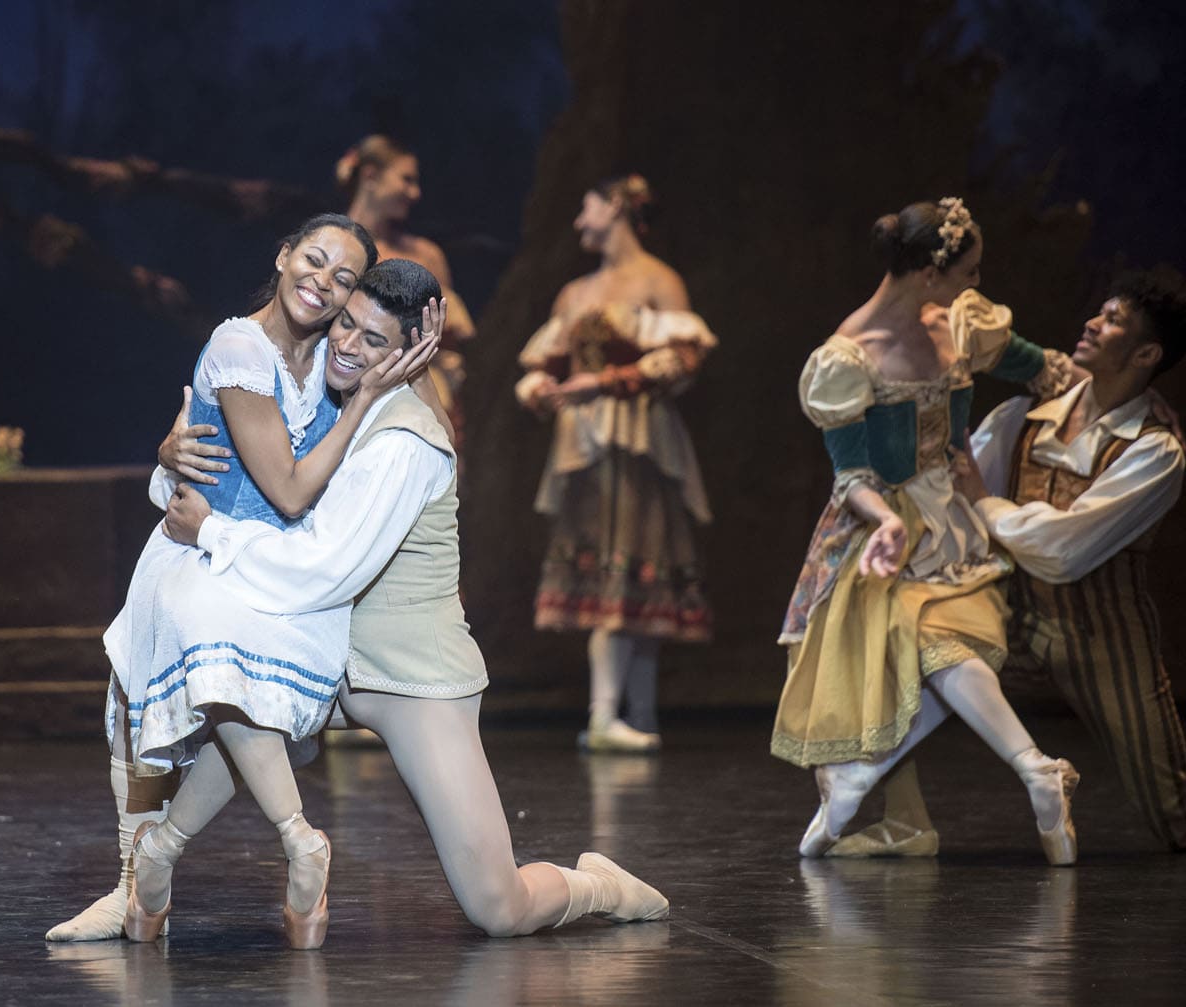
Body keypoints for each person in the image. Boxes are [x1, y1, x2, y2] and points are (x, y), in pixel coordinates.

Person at [144, 258, 670, 941]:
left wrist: (209, 532)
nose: (347, 343)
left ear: (413, 351)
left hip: (411, 675)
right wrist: (170, 457)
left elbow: (320, 567)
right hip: (333, 657)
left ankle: (601, 883)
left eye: (374, 340)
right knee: (242, 692)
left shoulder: (405, 442)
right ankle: (152, 859)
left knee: (497, 908)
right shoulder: (336, 397)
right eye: (346, 323)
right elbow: (254, 476)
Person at [45, 214, 435, 945]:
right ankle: (141, 879)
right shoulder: (238, 345)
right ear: (283, 256)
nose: (322, 283)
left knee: (239, 705)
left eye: (343, 278)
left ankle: (180, 866)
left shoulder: (335, 354)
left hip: (271, 567)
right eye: (313, 261)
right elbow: (282, 488)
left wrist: (394, 374)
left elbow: (291, 490)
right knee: (150, 714)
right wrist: (169, 461)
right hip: (203, 553)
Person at [833, 269, 1186, 856]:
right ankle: (903, 815)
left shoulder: (1155, 450)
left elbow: (1063, 551)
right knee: (902, 641)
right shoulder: (1025, 417)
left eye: (1113, 321)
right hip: (1013, 614)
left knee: (1179, 821)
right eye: (1100, 312)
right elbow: (954, 480)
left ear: (1146, 353)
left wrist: (987, 501)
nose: (1092, 323)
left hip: (1101, 634)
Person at [773, 197, 1085, 864]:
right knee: (896, 658)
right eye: (966, 271)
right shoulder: (848, 356)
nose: (976, 284)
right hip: (880, 521)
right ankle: (991, 784)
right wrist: (886, 522)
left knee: (937, 644)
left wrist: (1109, 403)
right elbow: (849, 473)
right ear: (927, 273)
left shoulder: (959, 322)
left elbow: (1046, 369)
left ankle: (915, 788)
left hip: (953, 513)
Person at [515, 174, 716, 752]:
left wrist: (605, 383)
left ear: (617, 208)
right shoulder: (575, 292)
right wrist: (540, 391)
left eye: (588, 207)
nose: (580, 221)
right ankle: (604, 716)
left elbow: (684, 357)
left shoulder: (657, 280)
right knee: (607, 559)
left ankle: (641, 715)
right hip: (583, 443)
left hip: (637, 435)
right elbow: (545, 364)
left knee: (639, 559)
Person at [339, 134, 476, 451]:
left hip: (416, 400)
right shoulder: (334, 246)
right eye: (406, 179)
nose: (415, 193)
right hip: (345, 392)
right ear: (371, 176)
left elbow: (448, 349)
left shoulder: (427, 257)